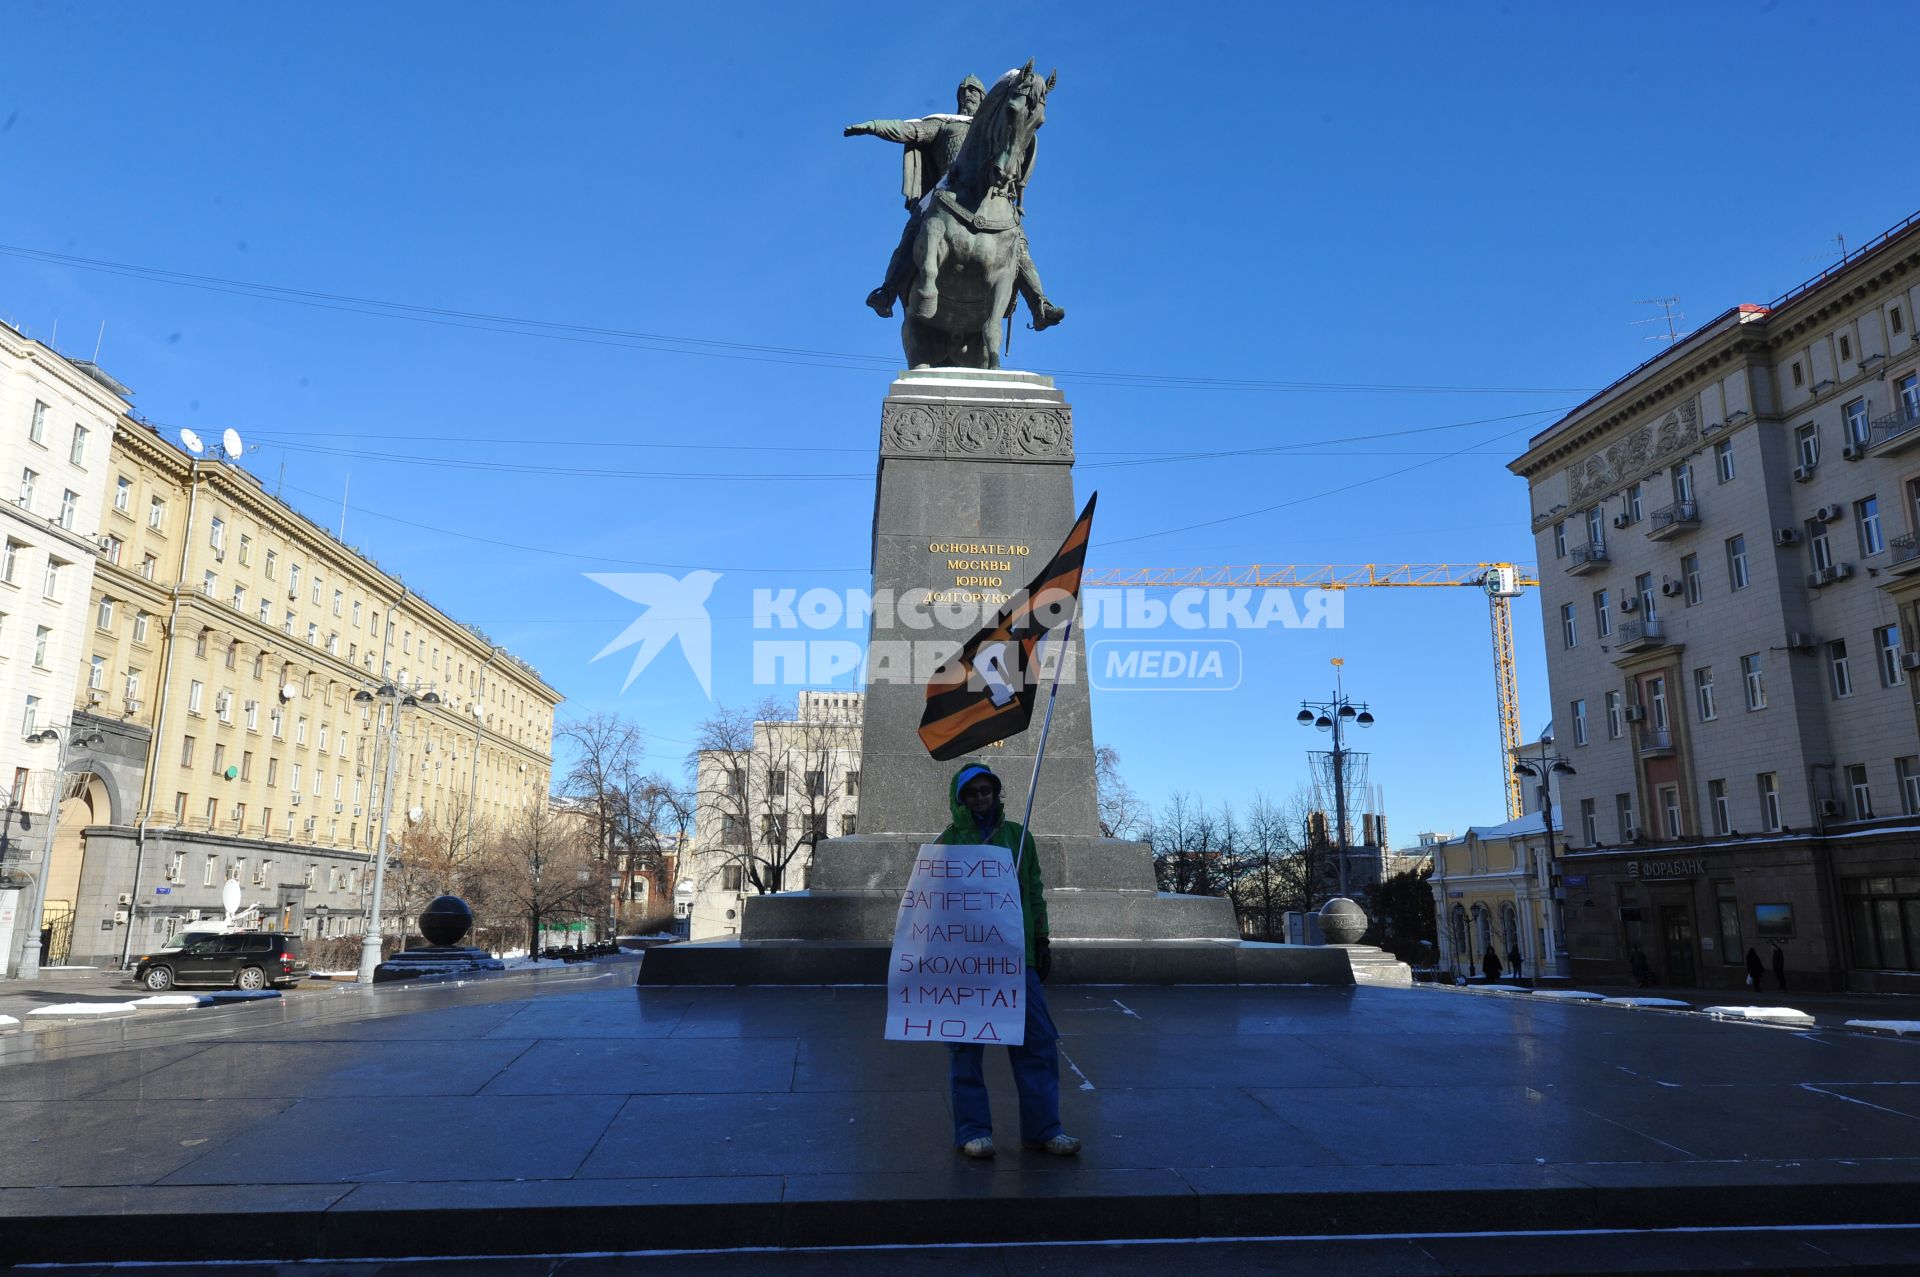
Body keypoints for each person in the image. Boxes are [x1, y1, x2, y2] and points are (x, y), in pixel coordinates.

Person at [937, 762, 1080, 1160]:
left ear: (997, 794)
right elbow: (932, 906)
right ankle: (972, 1131)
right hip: (966, 962)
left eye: (987, 790)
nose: (981, 798)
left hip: (1018, 958)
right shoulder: (946, 842)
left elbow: (1034, 891)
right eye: (973, 792)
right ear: (960, 798)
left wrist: (1042, 938)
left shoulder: (1020, 837)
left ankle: (1043, 1128)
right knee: (965, 1047)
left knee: (1037, 1042)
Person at [844, 75, 1064, 330]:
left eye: (974, 91)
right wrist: (873, 125)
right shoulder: (944, 124)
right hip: (947, 192)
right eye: (963, 91)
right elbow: (908, 130)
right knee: (914, 228)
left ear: (985, 98)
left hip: (990, 195)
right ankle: (888, 291)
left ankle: (1038, 304)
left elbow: (1018, 144)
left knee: (1019, 242)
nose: (968, 95)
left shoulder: (994, 128)